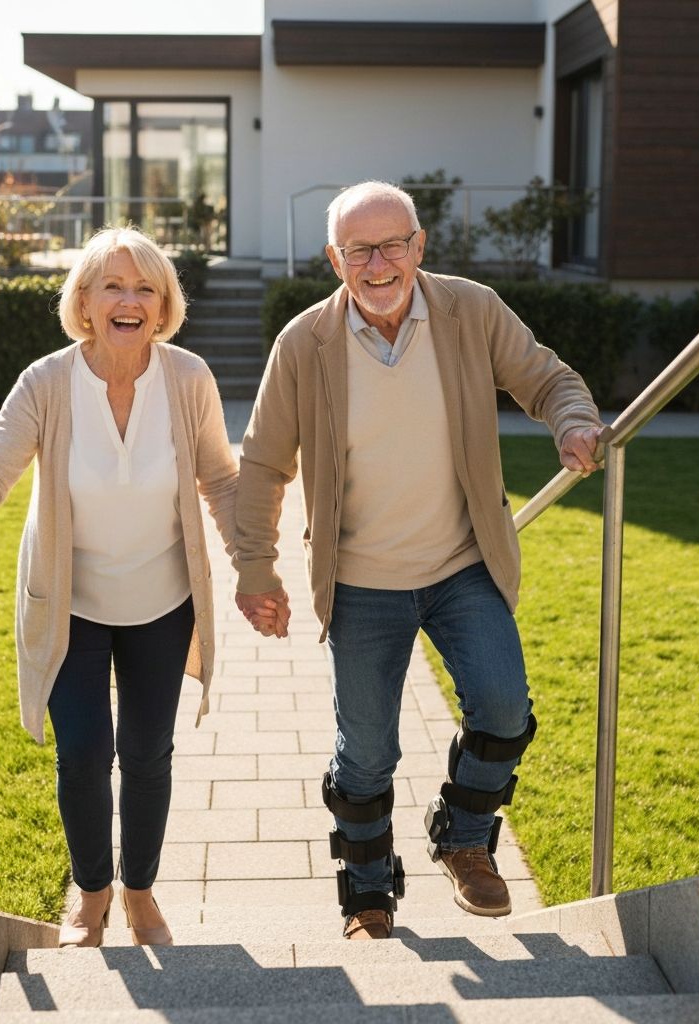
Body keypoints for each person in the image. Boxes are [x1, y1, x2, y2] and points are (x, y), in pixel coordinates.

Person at [233, 181, 603, 940]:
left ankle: (464, 836)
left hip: (462, 565)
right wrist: (256, 566)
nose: (378, 264)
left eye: (392, 243)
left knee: (503, 710)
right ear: (334, 258)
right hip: (362, 581)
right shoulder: (305, 344)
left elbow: (548, 378)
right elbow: (265, 462)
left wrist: (573, 423)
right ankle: (368, 890)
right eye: (359, 249)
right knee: (366, 753)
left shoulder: (470, 311)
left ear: (419, 245)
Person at [0, 225, 278, 949]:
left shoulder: (188, 379)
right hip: (70, 604)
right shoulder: (47, 382)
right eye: (113, 285)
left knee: (146, 754)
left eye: (146, 288)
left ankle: (139, 896)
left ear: (164, 303)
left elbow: (221, 480)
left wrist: (252, 568)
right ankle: (91, 895)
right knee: (81, 753)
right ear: (84, 300)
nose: (130, 300)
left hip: (161, 602)